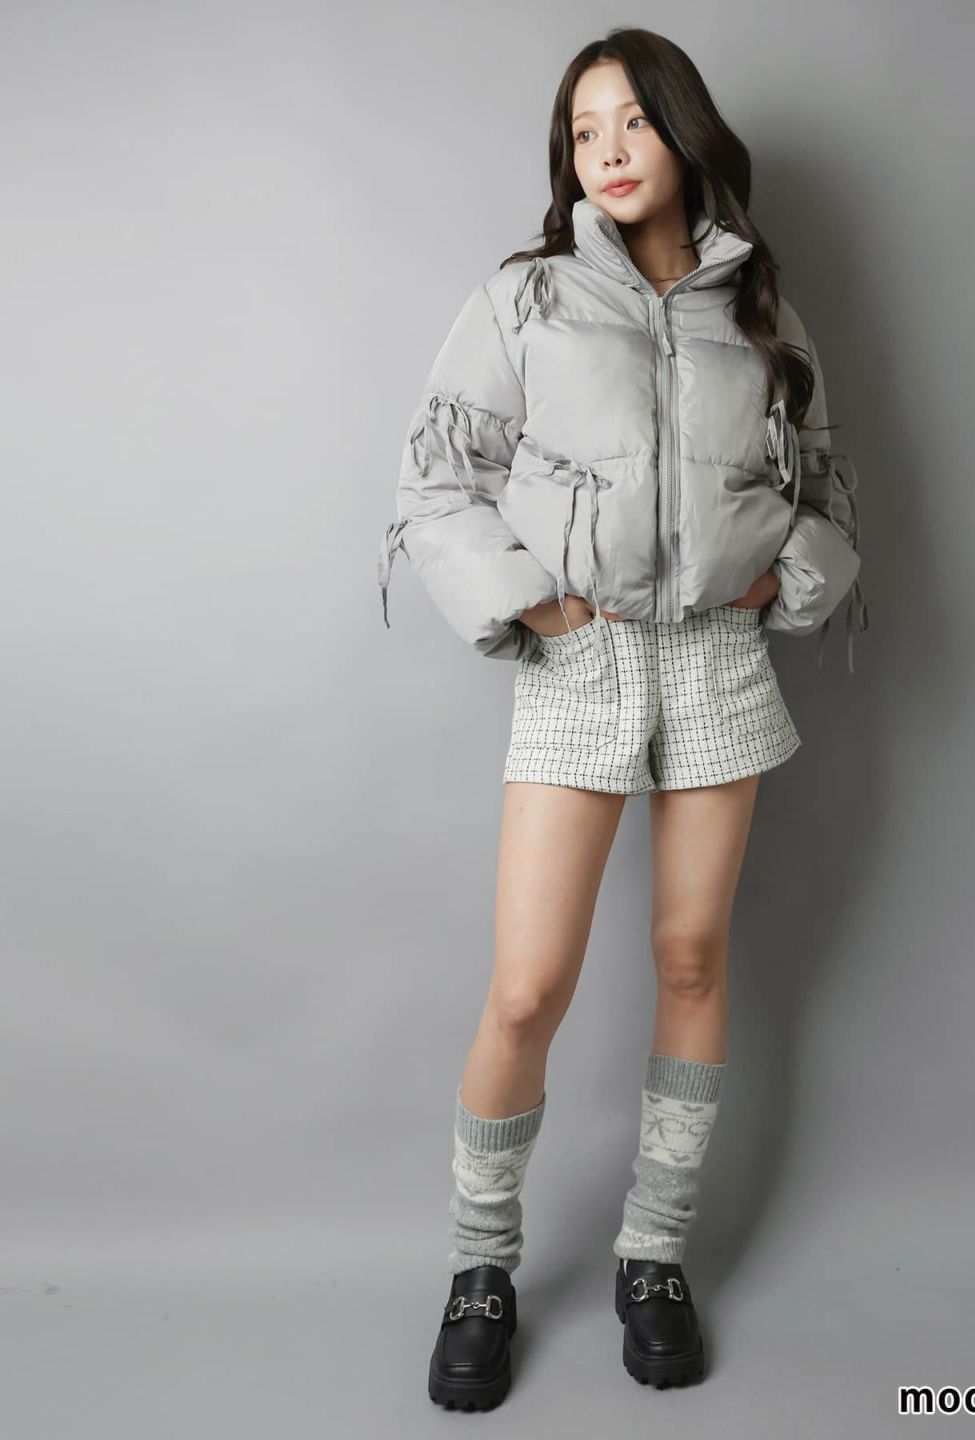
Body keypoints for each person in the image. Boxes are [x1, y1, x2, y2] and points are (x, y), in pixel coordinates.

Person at [376, 26, 868, 1411]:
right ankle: (481, 1266)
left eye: (633, 121)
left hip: (716, 662)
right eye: (583, 129)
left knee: (693, 957)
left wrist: (781, 580)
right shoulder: (526, 298)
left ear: (684, 132)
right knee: (528, 986)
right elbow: (435, 482)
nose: (606, 149)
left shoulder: (761, 308)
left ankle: (653, 1254)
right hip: (581, 663)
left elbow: (828, 489)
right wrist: (537, 607)